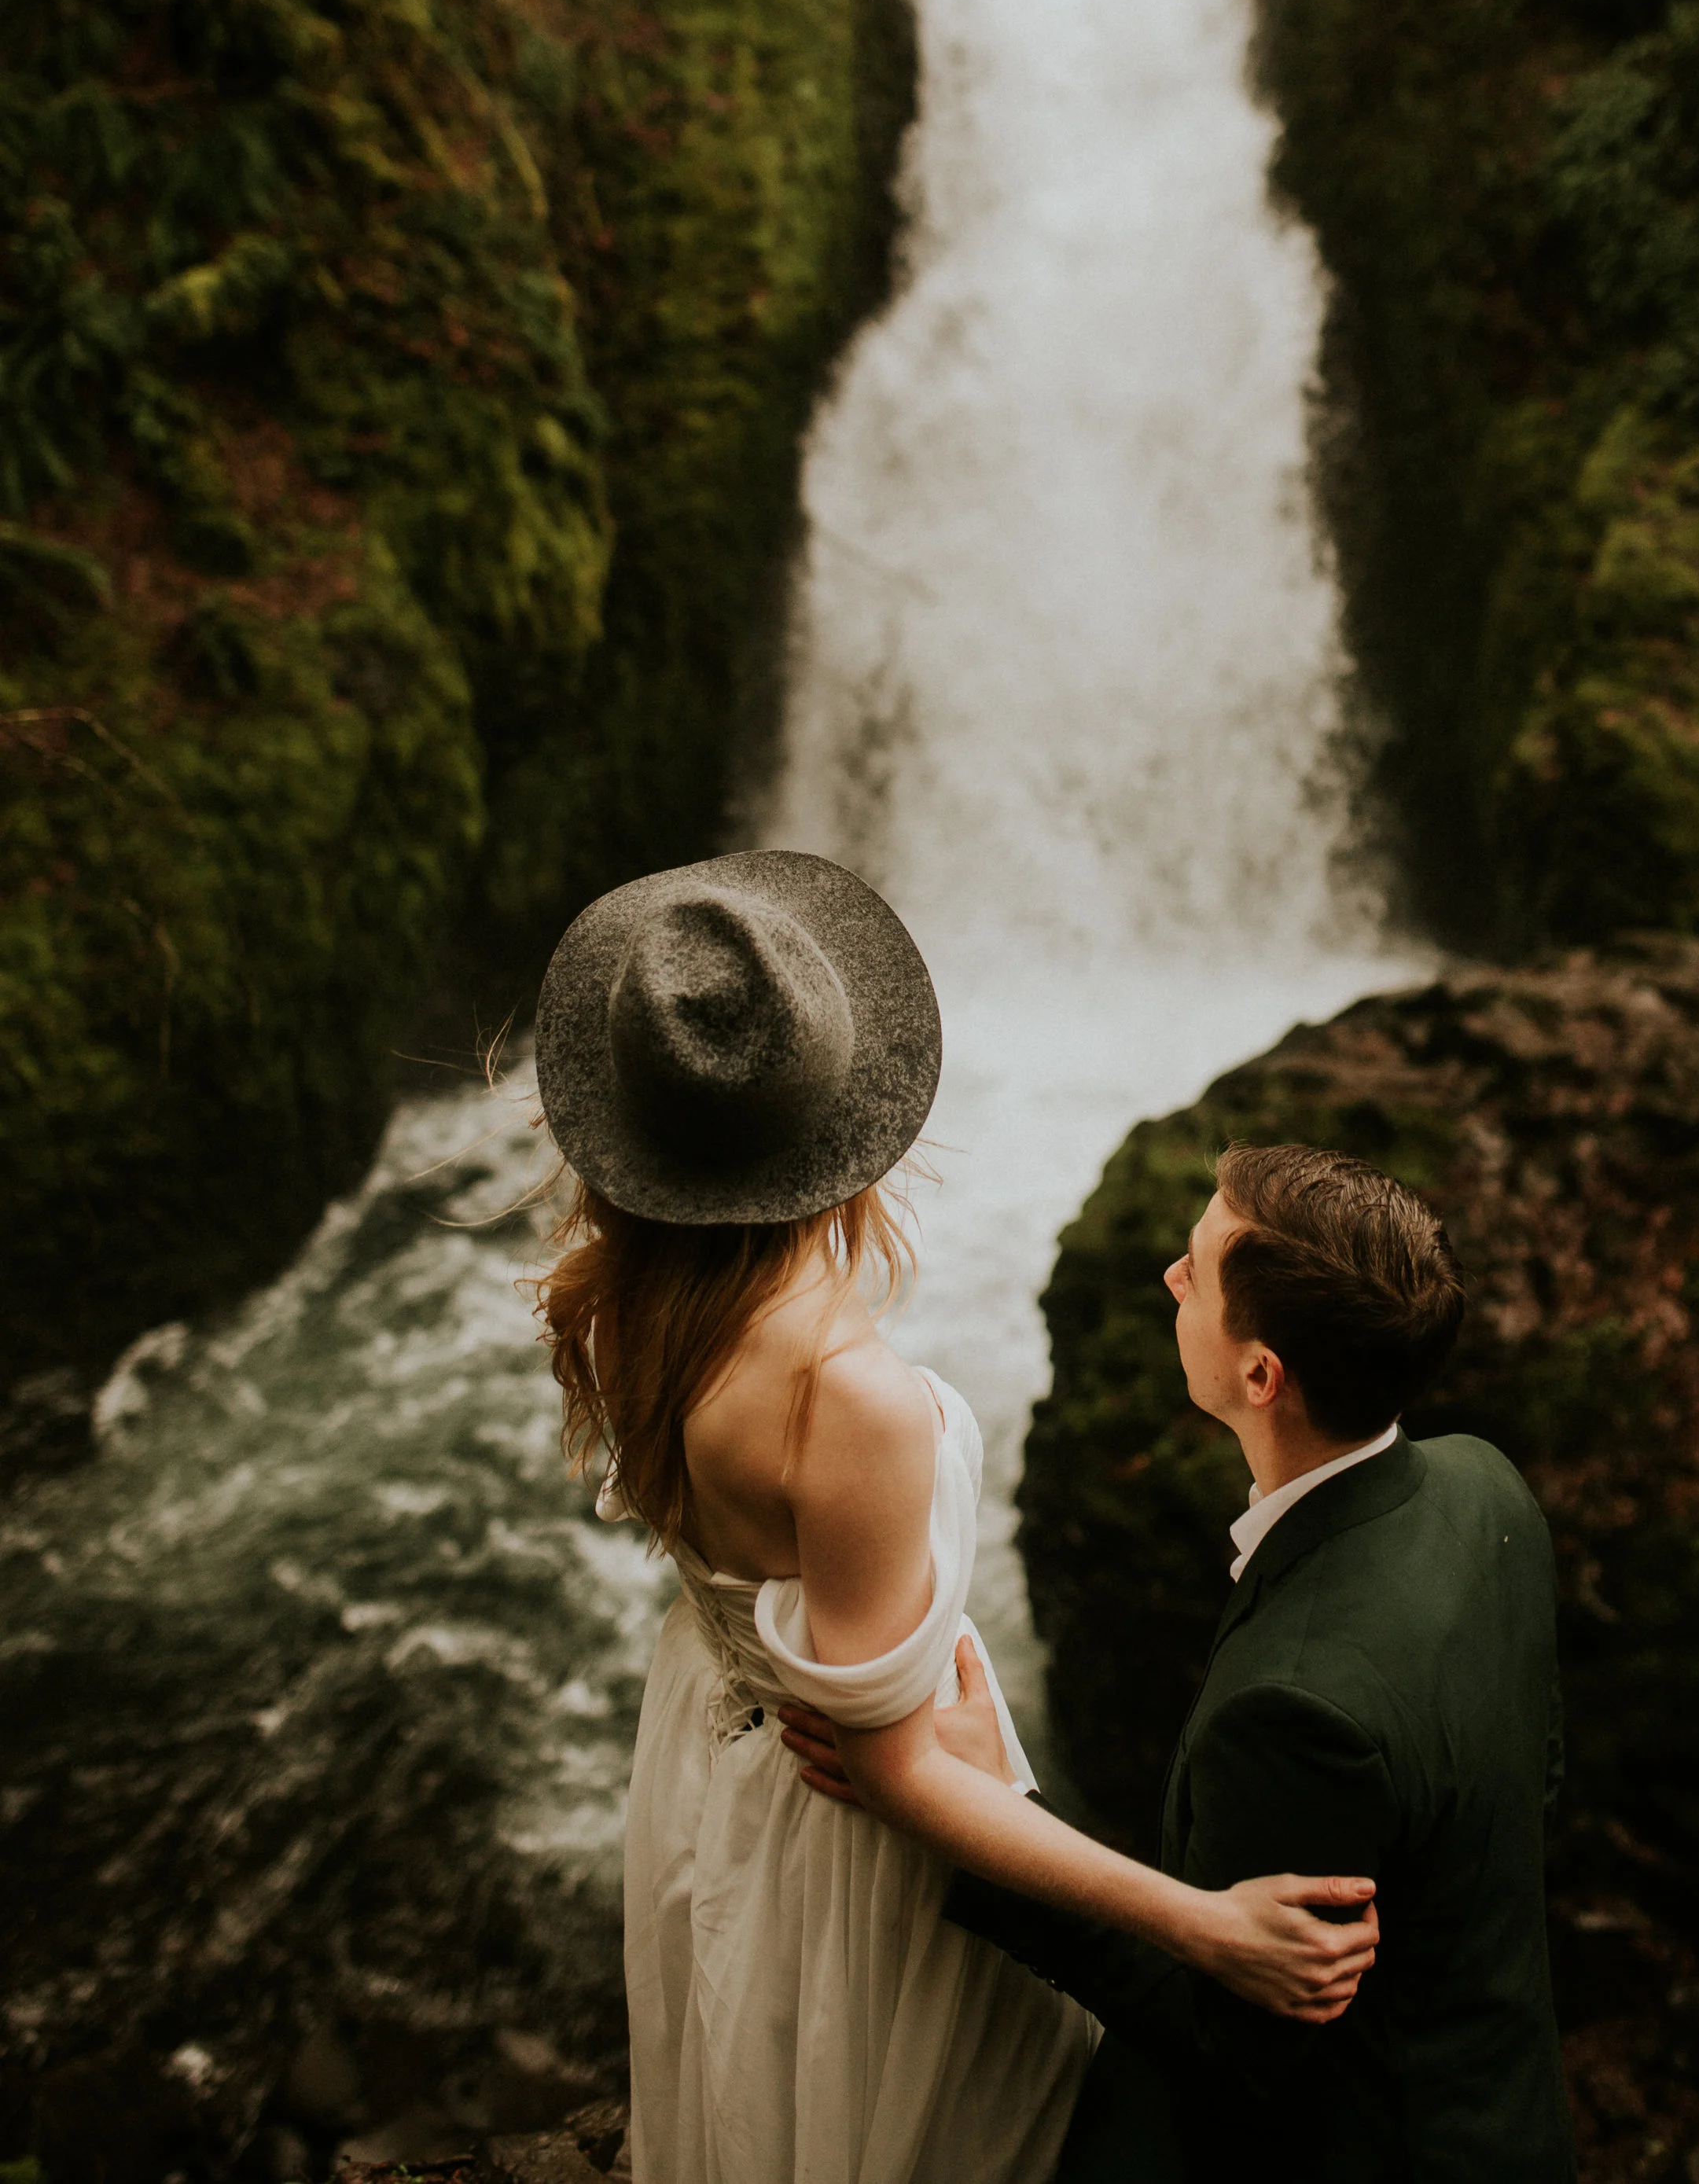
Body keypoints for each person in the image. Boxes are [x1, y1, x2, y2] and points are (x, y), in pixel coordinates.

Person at [531, 855, 1378, 2184]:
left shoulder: (620, 1292)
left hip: (709, 1763)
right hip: (841, 1843)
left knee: (750, 2091)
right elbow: (893, 1774)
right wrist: (1200, 1924)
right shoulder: (843, 1393)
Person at [784, 1143, 1576, 2184]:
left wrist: (995, 1807)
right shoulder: (1486, 1488)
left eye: (1197, 1266)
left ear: (1262, 1374)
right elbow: (1531, 1775)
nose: (1170, 1275)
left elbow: (1227, 2044)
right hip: (1513, 2104)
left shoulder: (1295, 1709)